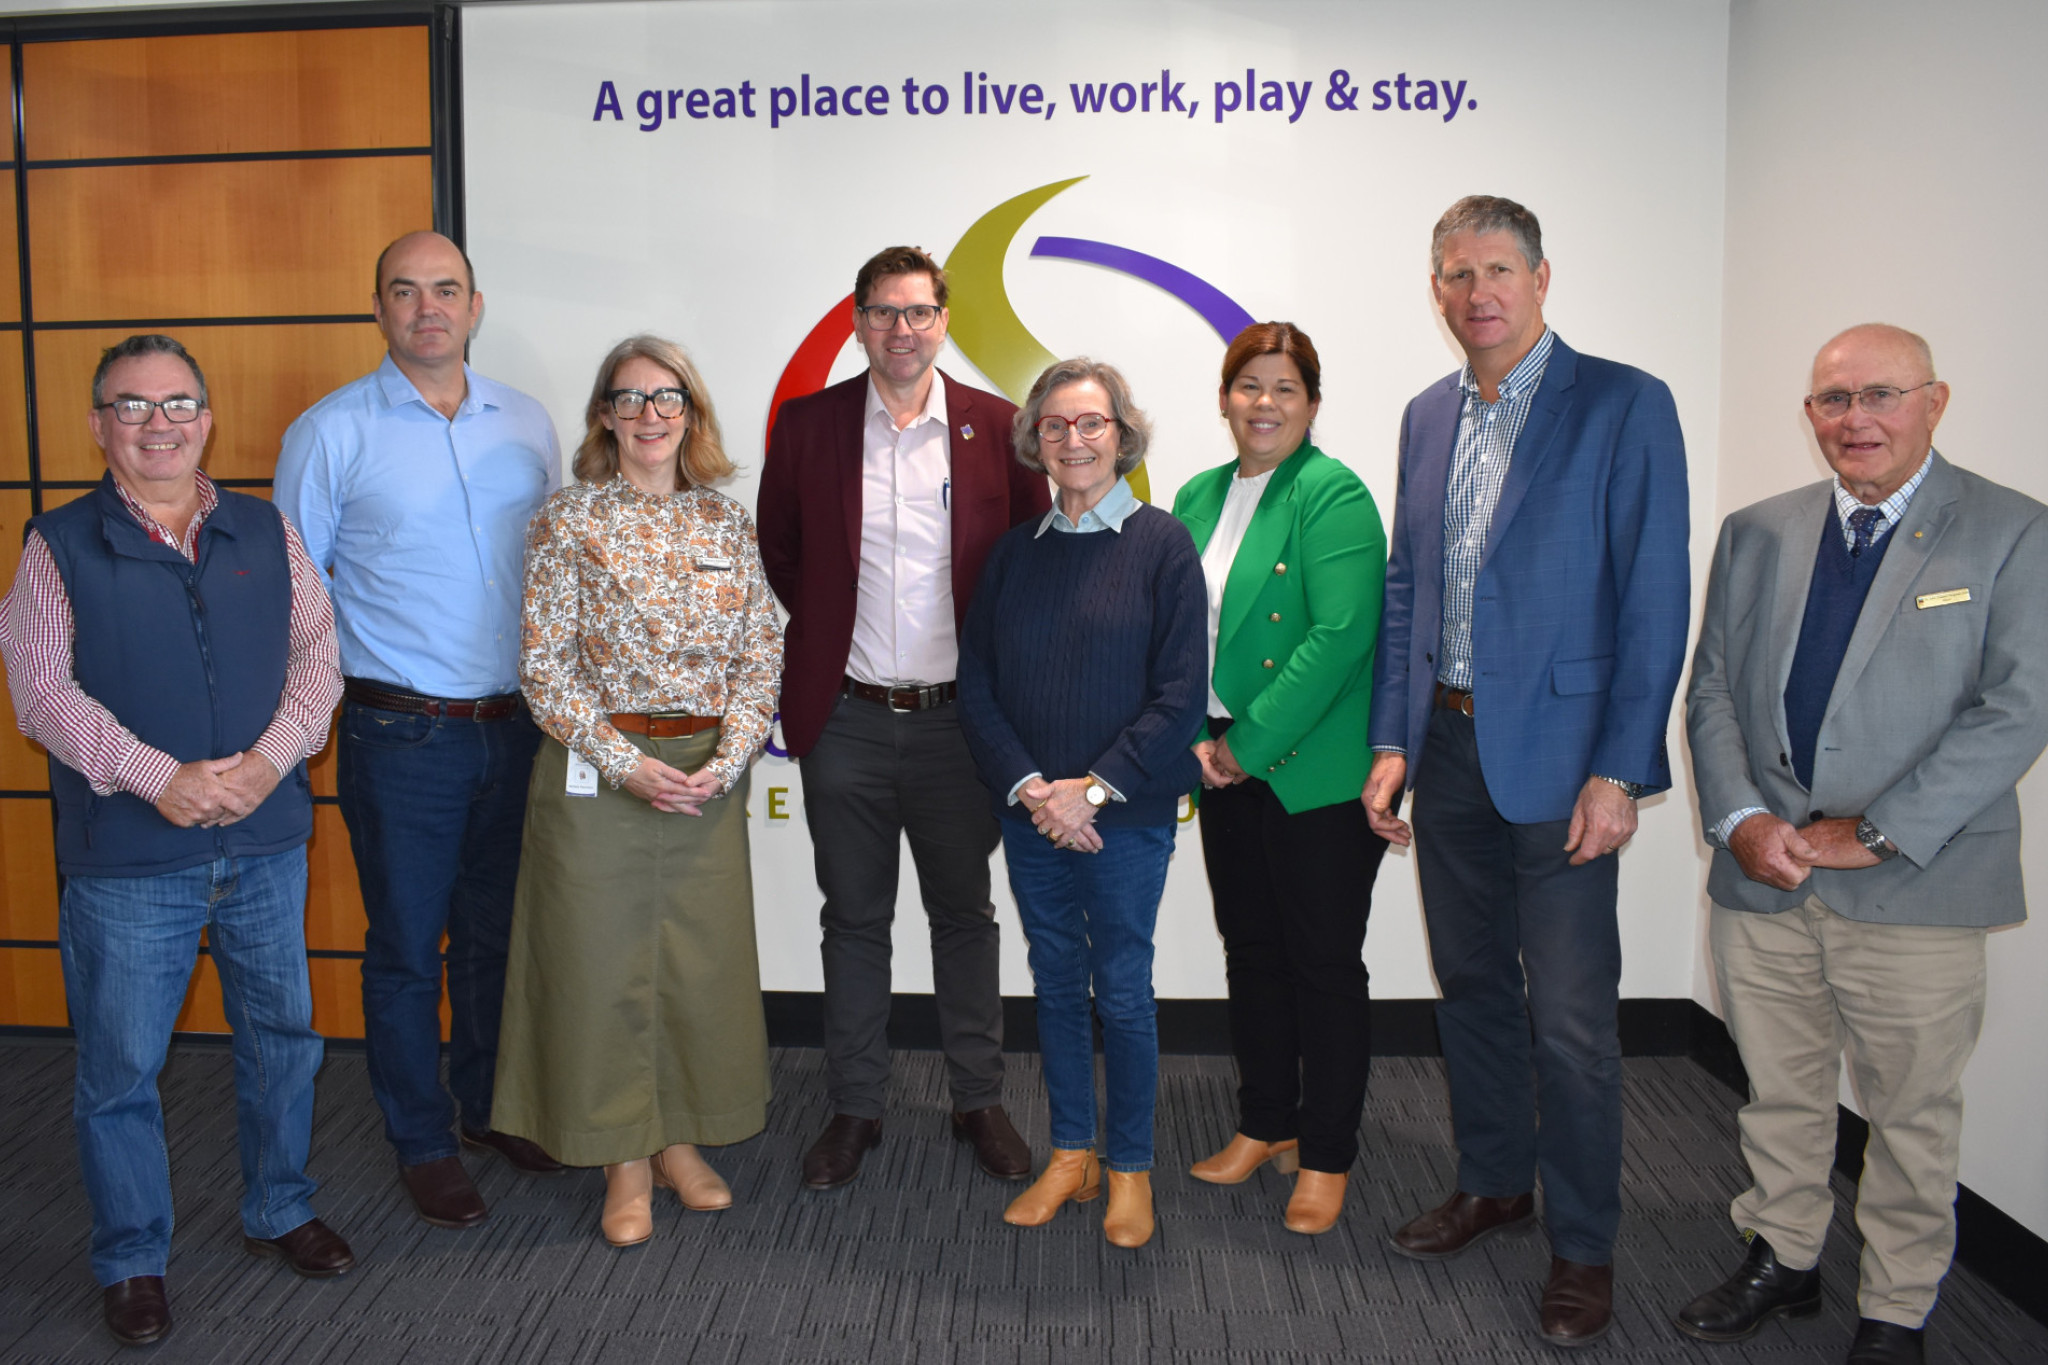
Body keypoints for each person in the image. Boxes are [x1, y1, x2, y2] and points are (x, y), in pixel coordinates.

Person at [1676, 325, 2047, 1365]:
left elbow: (2016, 709)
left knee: (1909, 1113)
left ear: (1934, 401)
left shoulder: (2011, 532)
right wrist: (1739, 819)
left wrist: (1876, 832)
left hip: (1917, 885)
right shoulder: (1757, 531)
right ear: (1808, 418)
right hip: (1764, 877)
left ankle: (1896, 1305)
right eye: (1830, 401)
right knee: (1778, 1090)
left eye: (1878, 394)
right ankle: (1783, 1256)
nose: (1853, 419)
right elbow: (1709, 688)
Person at [1360, 195, 1690, 1345]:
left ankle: (1583, 1245)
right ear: (1436, 288)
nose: (1475, 291)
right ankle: (1495, 1184)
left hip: (1560, 764)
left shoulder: (1622, 404)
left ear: (1541, 279)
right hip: (1443, 750)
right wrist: (1391, 741)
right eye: (1454, 272)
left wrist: (1619, 769)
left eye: (1496, 268)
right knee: (1474, 996)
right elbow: (1409, 589)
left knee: (1569, 1022)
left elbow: (1653, 599)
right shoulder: (1421, 415)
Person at [0, 335, 351, 1346]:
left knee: (282, 1041)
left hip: (265, 839)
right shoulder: (56, 544)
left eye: (179, 403)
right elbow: (43, 694)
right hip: (129, 858)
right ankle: (132, 1256)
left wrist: (263, 763)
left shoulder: (264, 529)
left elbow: (318, 658)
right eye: (133, 406)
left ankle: (281, 1205)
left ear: (207, 415)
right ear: (98, 425)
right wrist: (161, 780)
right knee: (119, 1071)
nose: (159, 424)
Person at [273, 231, 565, 1230]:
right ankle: (421, 1138)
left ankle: (485, 1108)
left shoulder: (526, 424)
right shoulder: (330, 432)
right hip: (401, 735)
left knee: (493, 933)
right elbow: (293, 597)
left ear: (474, 307)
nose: (427, 308)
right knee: (405, 946)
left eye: (445, 291)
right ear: (379, 308)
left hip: (515, 726)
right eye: (405, 291)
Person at [758, 245, 1051, 1189]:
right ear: (857, 321)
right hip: (843, 719)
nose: (901, 330)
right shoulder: (806, 428)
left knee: (964, 915)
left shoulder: (999, 429)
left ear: (944, 321)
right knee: (854, 920)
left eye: (919, 312)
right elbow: (784, 555)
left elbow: (1028, 565)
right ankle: (856, 1107)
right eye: (883, 312)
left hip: (960, 724)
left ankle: (978, 1098)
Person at [491, 336, 781, 1247]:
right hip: (601, 776)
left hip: (703, 779)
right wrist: (627, 763)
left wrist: (725, 762)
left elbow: (759, 654)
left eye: (669, 398)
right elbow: (544, 667)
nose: (651, 414)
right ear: (604, 415)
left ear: (690, 414)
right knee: (600, 966)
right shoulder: (567, 520)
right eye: (631, 397)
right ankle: (622, 1155)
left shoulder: (726, 525)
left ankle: (679, 1139)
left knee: (698, 969)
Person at [957, 358, 1206, 1249]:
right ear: (1036, 439)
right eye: (1056, 425)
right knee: (1057, 984)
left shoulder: (1163, 545)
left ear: (1121, 434)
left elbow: (1181, 694)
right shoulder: (1012, 557)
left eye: (1091, 423)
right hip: (1034, 816)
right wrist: (1034, 789)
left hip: (1123, 818)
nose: (1074, 439)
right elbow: (977, 683)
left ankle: (1130, 1165)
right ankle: (1073, 1153)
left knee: (1125, 992)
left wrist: (1091, 789)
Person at [1170, 322, 1389, 1235]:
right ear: (1223, 397)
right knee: (1251, 950)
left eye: (1285, 388)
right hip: (1221, 760)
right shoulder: (1196, 492)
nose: (1264, 403)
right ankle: (1265, 1122)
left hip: (1311, 771)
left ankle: (1327, 1152)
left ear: (1312, 403)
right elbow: (1170, 626)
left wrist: (1243, 745)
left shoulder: (1333, 495)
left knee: (1324, 964)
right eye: (1248, 385)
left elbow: (1339, 638)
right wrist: (1192, 735)